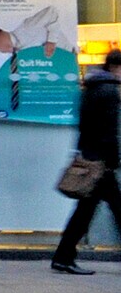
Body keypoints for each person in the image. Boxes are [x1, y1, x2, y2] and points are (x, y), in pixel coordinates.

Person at [51, 47, 121, 275]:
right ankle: (63, 256)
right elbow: (109, 130)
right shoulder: (110, 91)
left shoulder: (91, 88)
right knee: (106, 209)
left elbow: (85, 126)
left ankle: (63, 257)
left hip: (90, 157)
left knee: (86, 211)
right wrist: (113, 159)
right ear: (116, 68)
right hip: (101, 162)